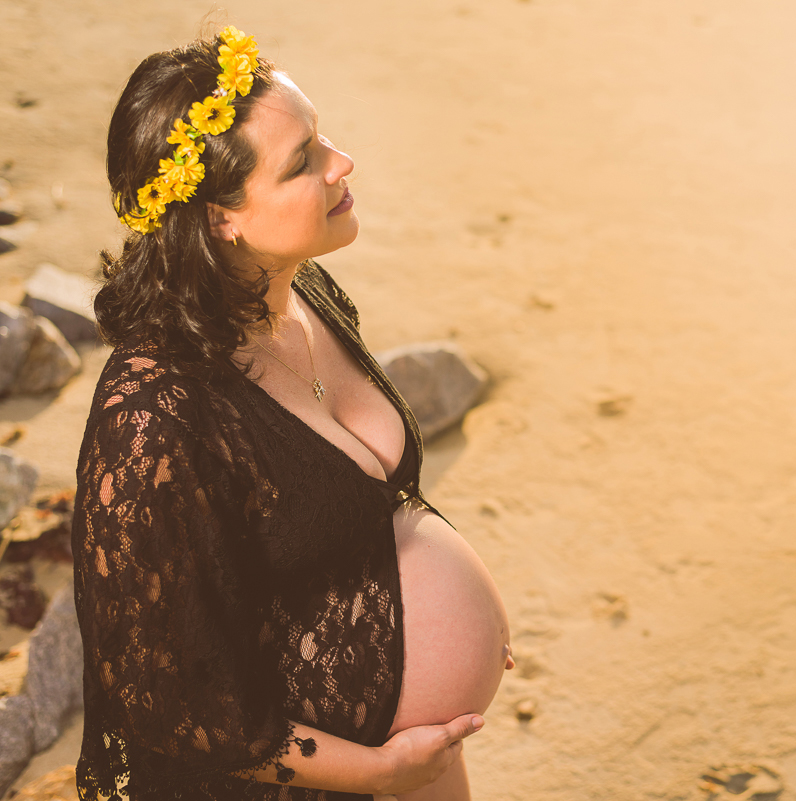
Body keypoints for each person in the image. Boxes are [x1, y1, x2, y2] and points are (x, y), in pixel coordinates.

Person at [72, 27, 513, 801]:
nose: (343, 162)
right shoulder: (154, 420)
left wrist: (452, 619)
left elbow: (348, 504)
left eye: (322, 136)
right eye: (303, 161)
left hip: (414, 753)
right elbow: (170, 701)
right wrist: (377, 769)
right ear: (221, 218)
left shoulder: (298, 292)